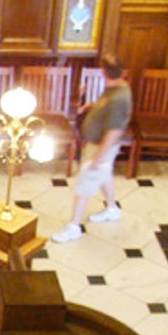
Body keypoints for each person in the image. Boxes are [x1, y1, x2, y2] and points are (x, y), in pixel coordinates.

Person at [51, 59, 132, 242]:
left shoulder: (120, 98)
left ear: (106, 73)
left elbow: (114, 131)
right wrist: (92, 107)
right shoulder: (115, 88)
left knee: (84, 184)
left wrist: (98, 158)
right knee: (104, 177)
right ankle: (112, 209)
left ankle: (73, 226)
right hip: (97, 144)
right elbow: (106, 107)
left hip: (102, 147)